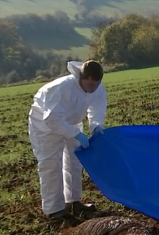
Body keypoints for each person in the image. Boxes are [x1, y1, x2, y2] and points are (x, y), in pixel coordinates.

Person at [28, 60, 107, 225]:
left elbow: (97, 109)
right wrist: (75, 133)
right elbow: (51, 119)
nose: (92, 88)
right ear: (81, 78)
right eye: (89, 84)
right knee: (51, 166)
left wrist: (96, 126)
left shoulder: (98, 89)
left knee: (75, 162)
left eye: (95, 84)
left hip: (71, 123)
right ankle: (53, 210)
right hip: (45, 127)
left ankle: (73, 202)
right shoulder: (62, 88)